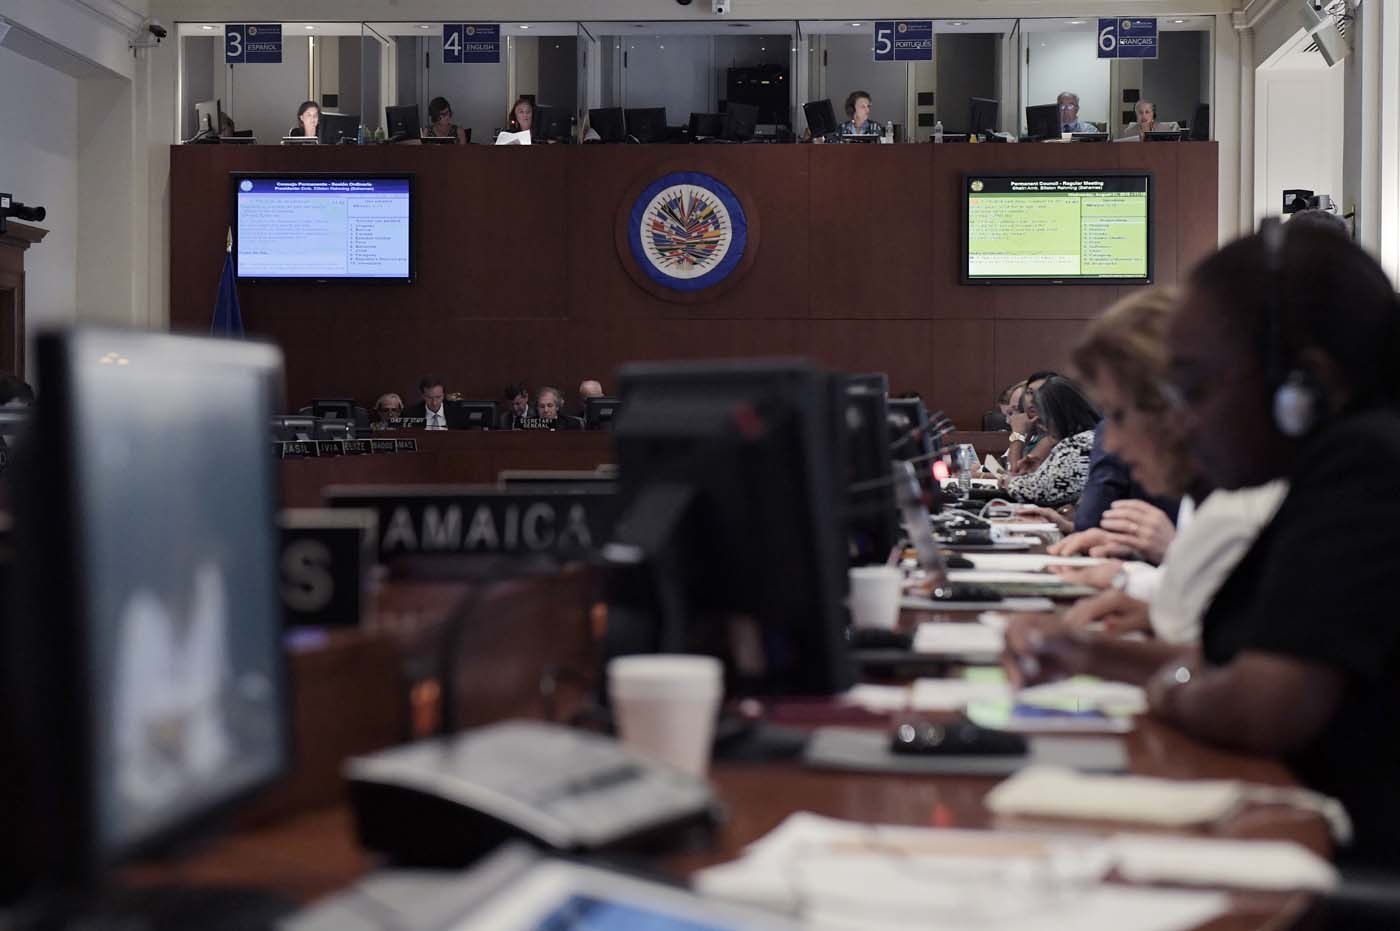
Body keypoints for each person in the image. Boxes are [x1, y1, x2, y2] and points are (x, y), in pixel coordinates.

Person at [1005, 220, 1400, 867]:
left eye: (1194, 387)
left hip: (1345, 872)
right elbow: (1247, 660)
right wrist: (1086, 653)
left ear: (1298, 389)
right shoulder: (1335, 468)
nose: (1181, 419)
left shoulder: (1366, 469)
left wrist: (1166, 689)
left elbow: (1260, 703)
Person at [1002, 376, 1099, 507]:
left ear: (1059, 413)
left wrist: (1008, 481)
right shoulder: (1078, 438)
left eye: (1042, 419)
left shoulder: (1081, 444)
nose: (1042, 426)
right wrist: (1040, 471)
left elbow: (1038, 491)